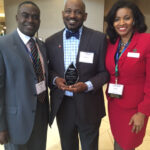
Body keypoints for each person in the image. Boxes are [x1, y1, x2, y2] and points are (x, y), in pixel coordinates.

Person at [45, 0, 109, 150]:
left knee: (90, 146)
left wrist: (87, 85)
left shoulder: (99, 39)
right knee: (68, 146)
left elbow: (105, 72)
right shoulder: (51, 41)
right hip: (63, 105)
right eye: (68, 11)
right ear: (63, 14)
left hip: (89, 104)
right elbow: (48, 70)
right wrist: (55, 79)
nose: (72, 15)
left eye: (78, 12)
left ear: (85, 16)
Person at [0, 1, 49, 150]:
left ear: (39, 21)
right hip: (16, 122)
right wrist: (1, 126)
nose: (30, 20)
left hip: (40, 116)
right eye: (25, 16)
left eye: (35, 17)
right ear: (16, 17)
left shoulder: (41, 45)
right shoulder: (3, 45)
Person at [105, 1, 150, 150]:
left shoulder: (146, 41)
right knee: (118, 139)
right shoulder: (111, 43)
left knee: (127, 144)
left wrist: (143, 112)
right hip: (114, 104)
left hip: (135, 108)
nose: (121, 23)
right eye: (117, 19)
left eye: (126, 18)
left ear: (135, 20)